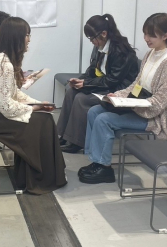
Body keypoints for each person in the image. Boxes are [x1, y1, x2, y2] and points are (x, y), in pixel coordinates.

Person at [80, 13, 167, 184]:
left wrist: (130, 104)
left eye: (151, 35)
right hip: (139, 105)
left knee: (104, 119)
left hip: (154, 117)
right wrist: (118, 96)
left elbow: (160, 103)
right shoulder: (151, 54)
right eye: (145, 34)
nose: (146, 39)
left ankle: (104, 168)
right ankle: (96, 160)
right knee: (94, 111)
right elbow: (137, 85)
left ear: (165, 35)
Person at [0, 17, 66, 194]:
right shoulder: (3, 64)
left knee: (43, 118)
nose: (29, 39)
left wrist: (37, 103)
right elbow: (6, 106)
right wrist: (34, 108)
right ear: (16, 37)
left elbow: (13, 93)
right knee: (42, 121)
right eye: (27, 35)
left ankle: (36, 177)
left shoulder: (3, 59)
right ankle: (39, 179)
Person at [57, 14, 139, 153]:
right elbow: (92, 69)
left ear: (104, 33)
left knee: (81, 99)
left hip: (118, 90)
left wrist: (86, 83)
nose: (91, 42)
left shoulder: (121, 51)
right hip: (105, 85)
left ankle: (77, 141)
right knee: (71, 92)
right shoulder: (101, 46)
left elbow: (112, 80)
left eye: (92, 38)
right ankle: (64, 135)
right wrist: (80, 80)